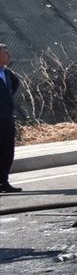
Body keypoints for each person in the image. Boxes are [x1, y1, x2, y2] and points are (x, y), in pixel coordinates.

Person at [0, 44, 22, 193]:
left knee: (8, 150)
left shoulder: (7, 73)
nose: (9, 55)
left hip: (7, 116)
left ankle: (3, 181)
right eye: (5, 53)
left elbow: (15, 84)